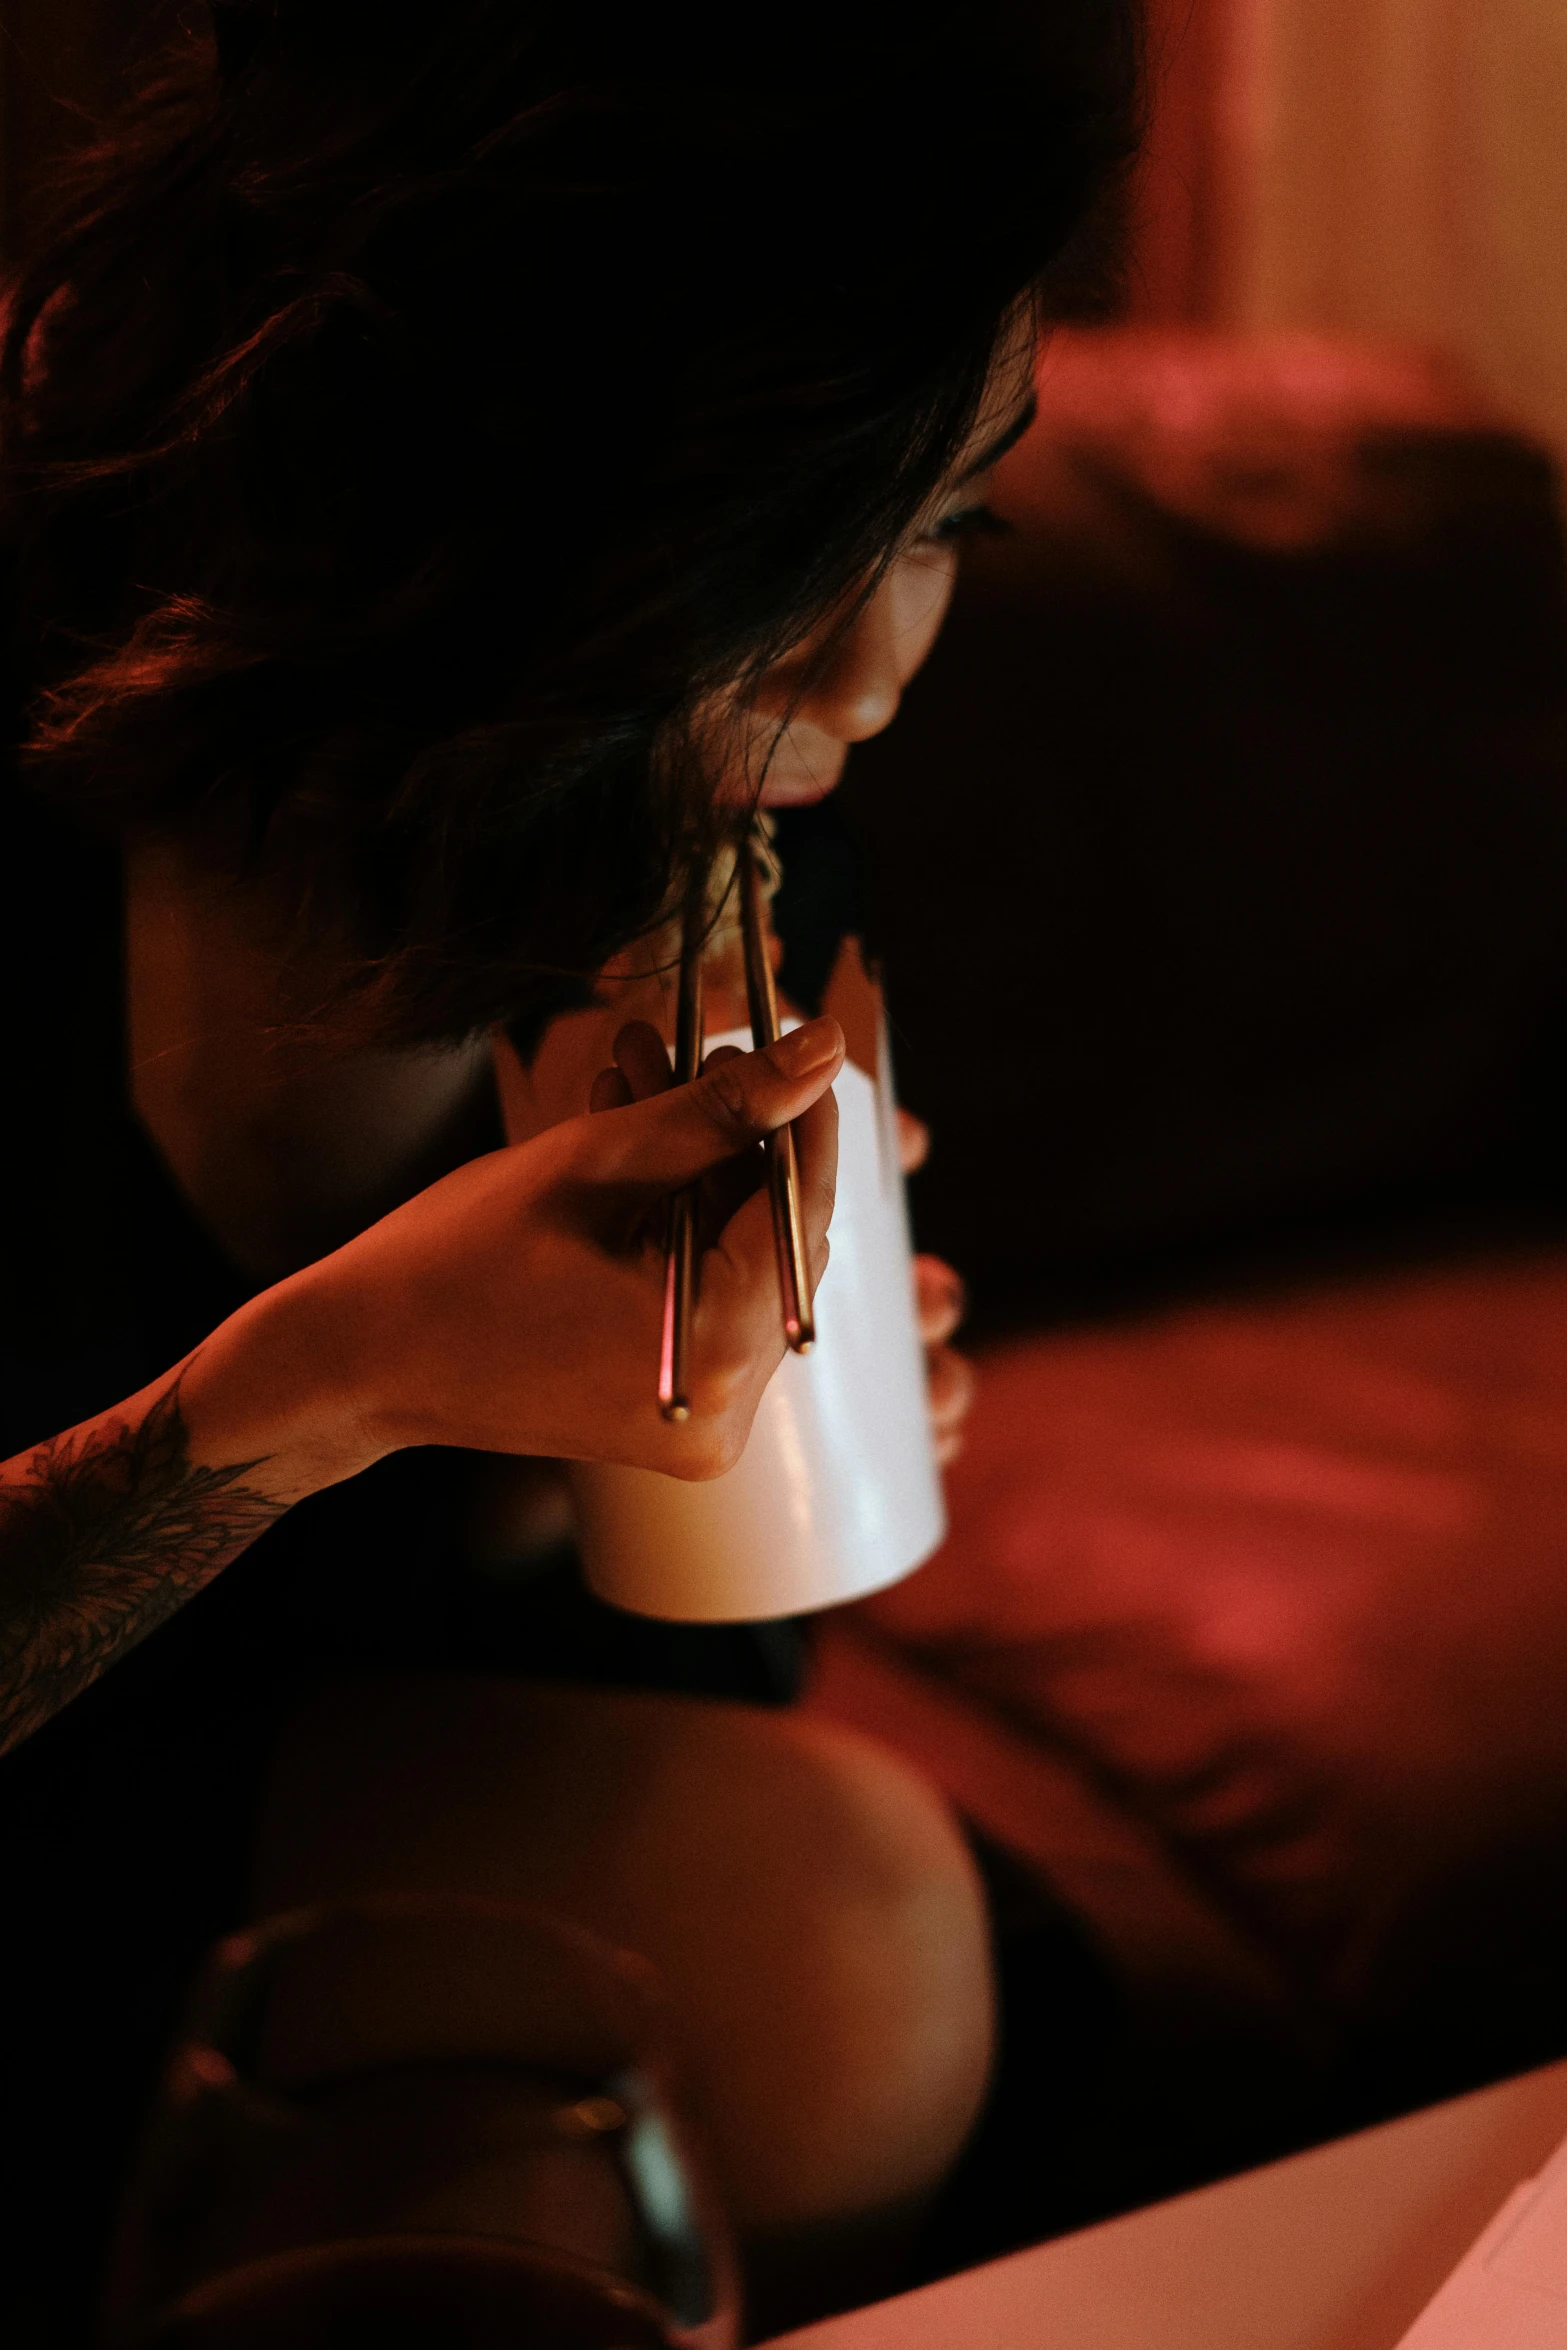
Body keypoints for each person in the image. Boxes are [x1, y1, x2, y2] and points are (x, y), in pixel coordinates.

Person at [0, 0, 1138, 2329]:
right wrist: (324, 1385)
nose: (876, 667)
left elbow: (638, 1675)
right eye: (793, 540)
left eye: (944, 519)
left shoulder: (684, 846)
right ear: (474, 476)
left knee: (947, 1972)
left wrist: (620, 1427)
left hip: (286, 1805)